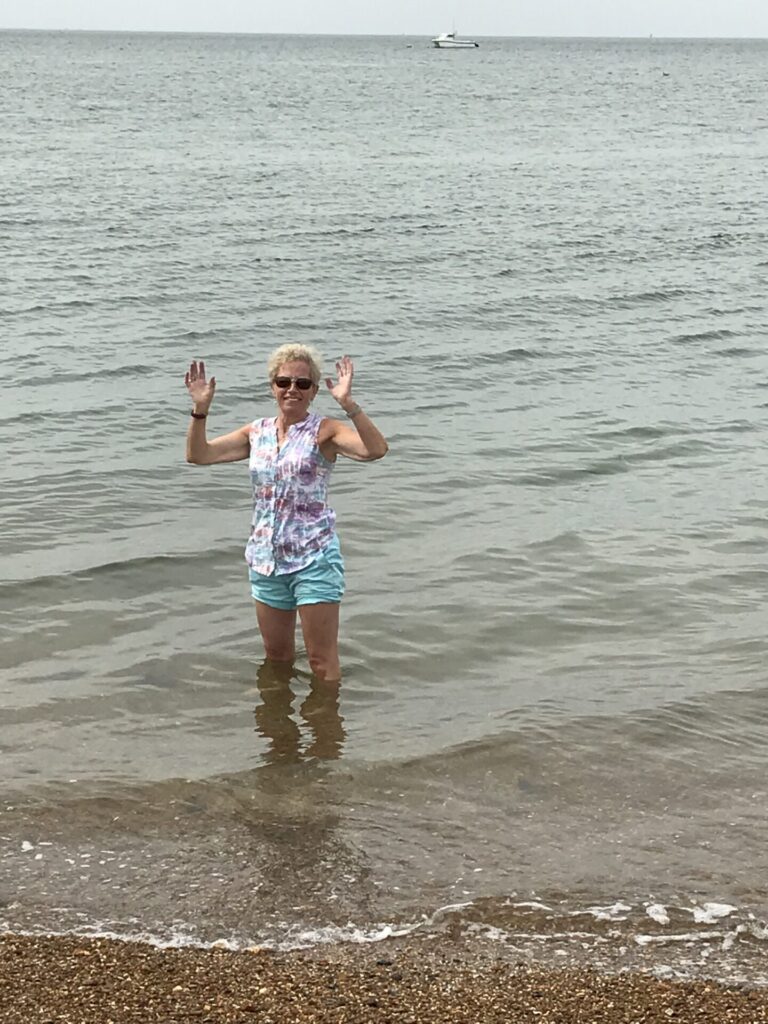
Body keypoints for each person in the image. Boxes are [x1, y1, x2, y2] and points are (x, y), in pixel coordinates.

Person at [184, 344, 388, 683]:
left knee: (321, 663)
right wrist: (200, 410)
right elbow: (198, 455)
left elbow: (375, 450)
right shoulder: (257, 432)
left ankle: (327, 733)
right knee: (276, 658)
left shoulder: (326, 431)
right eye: (283, 382)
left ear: (313, 391)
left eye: (302, 384)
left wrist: (349, 405)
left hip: (314, 558)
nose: (292, 389)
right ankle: (280, 734)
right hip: (266, 560)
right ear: (272, 387)